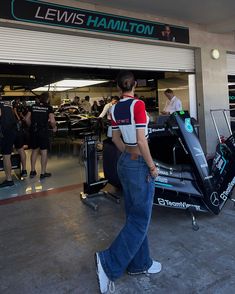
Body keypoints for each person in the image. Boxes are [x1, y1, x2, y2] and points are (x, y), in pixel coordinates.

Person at [95, 71, 161, 293]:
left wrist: (128, 156)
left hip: (124, 161)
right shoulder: (138, 106)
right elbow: (142, 141)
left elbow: (115, 138)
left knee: (134, 215)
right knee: (140, 219)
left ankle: (141, 263)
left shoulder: (114, 108)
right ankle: (108, 263)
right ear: (135, 86)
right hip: (140, 164)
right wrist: (151, 167)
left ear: (118, 87)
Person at [25, 92, 57, 179]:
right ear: (48, 99)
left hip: (34, 131)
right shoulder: (49, 108)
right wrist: (54, 128)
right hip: (43, 132)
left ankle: (32, 171)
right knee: (44, 152)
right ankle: (43, 173)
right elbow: (52, 121)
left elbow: (26, 118)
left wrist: (31, 126)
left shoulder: (33, 106)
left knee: (34, 151)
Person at [0, 96, 27, 187]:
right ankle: (24, 170)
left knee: (6, 156)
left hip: (7, 132)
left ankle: (9, 179)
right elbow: (13, 115)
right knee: (20, 149)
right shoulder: (8, 103)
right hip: (16, 129)